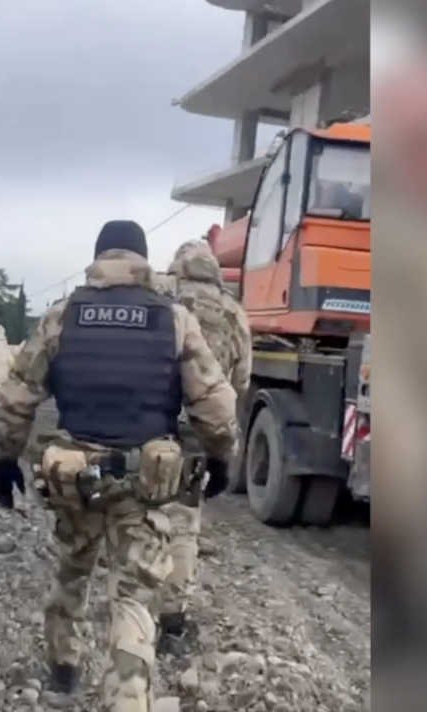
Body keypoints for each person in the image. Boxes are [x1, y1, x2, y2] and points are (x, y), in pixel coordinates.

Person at [0, 220, 239, 712]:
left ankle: (62, 673)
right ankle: (127, 700)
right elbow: (215, 405)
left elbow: (17, 396)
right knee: (133, 599)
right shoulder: (174, 320)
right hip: (143, 484)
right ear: (143, 259)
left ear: (99, 256)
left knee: (72, 573)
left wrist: (6, 457)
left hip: (73, 480)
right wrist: (220, 456)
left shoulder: (62, 316)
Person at [153, 239, 252, 653]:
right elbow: (240, 381)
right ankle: (172, 623)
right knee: (182, 526)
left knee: (136, 516)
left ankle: (129, 609)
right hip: (197, 432)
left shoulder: (160, 295)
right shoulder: (233, 312)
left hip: (149, 423)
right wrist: (222, 447)